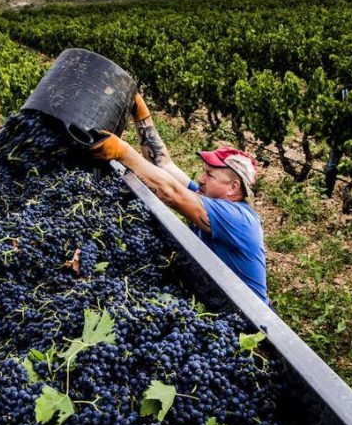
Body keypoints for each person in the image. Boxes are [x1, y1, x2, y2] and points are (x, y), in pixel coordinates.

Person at [90, 94, 269, 304]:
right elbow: (163, 165)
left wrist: (122, 152)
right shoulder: (207, 197)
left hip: (249, 321)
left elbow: (171, 193)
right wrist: (142, 117)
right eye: (204, 171)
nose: (200, 179)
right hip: (214, 299)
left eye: (209, 175)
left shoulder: (238, 218)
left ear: (233, 188)